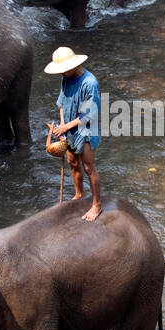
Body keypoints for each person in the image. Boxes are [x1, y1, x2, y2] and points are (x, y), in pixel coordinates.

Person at [45, 45, 102, 221]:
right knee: (72, 162)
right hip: (69, 127)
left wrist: (66, 127)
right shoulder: (66, 79)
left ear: (73, 66)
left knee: (88, 167)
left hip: (86, 128)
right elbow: (62, 104)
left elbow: (90, 114)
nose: (61, 73)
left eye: (63, 70)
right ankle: (79, 194)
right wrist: (62, 126)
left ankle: (97, 205)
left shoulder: (89, 83)